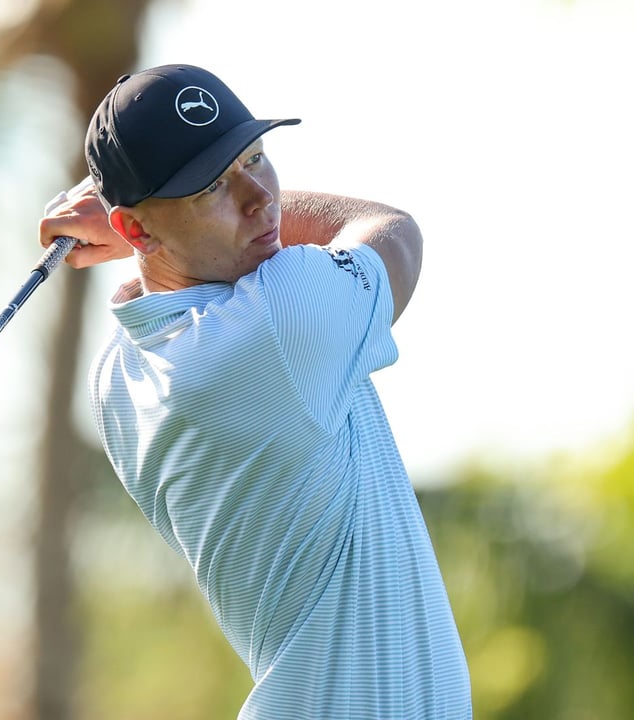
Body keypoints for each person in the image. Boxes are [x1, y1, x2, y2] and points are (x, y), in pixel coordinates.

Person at [39, 64, 472, 719]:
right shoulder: (272, 326)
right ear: (134, 231)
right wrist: (121, 218)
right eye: (214, 185)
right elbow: (393, 231)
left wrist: (150, 224)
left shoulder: (120, 376)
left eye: (256, 158)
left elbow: (168, 283)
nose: (260, 197)